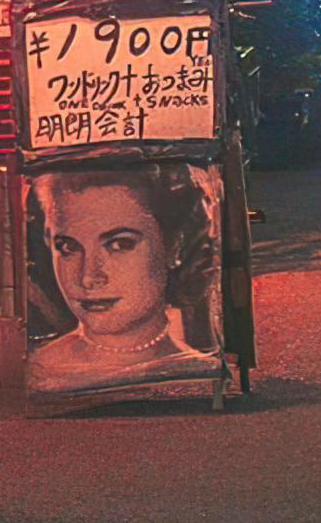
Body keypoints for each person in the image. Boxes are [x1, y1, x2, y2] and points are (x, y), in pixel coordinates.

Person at [19, 155, 225, 396]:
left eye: (119, 244)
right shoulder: (41, 369)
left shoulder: (199, 367)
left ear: (173, 246)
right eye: (68, 247)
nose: (89, 277)